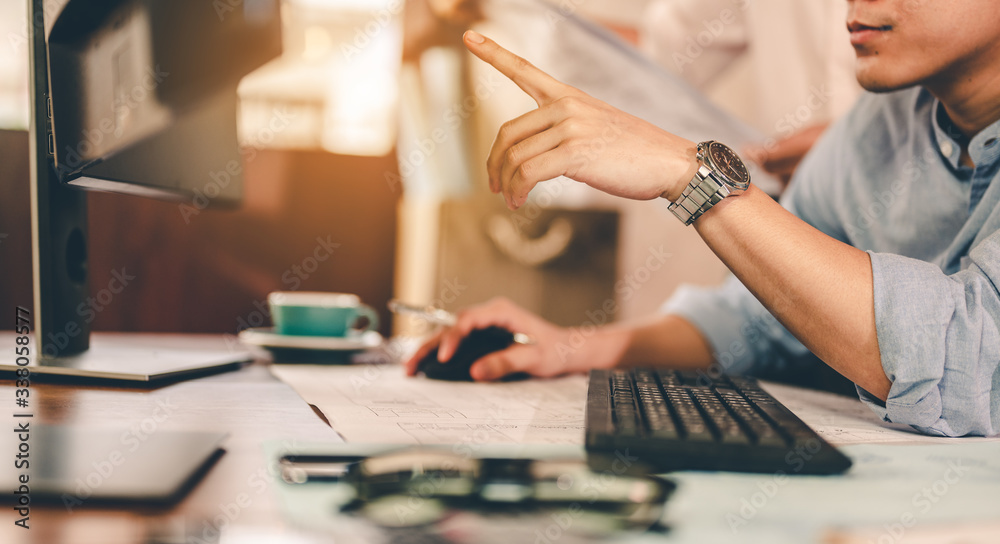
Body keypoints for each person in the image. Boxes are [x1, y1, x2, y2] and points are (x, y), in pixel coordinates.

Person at [405, 0, 1000, 438]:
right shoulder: (880, 123)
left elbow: (971, 361)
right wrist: (576, 347)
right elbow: (759, 319)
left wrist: (694, 175)